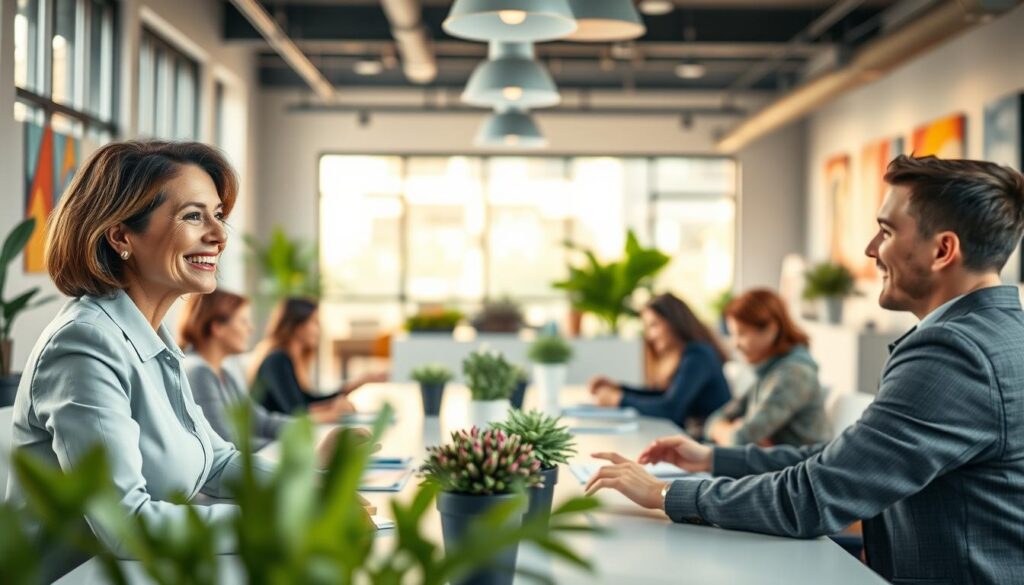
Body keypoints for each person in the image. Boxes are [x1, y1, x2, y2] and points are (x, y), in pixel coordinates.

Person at [585, 155, 1024, 585]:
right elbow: (848, 461)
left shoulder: (953, 353)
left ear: (943, 250)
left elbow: (814, 496)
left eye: (886, 231)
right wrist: (714, 458)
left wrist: (664, 493)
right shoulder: (997, 334)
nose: (871, 249)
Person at [5, 141, 274, 580]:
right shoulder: (84, 344)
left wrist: (311, 488)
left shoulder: (150, 336)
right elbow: (124, 526)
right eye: (193, 216)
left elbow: (215, 462)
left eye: (218, 214)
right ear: (121, 236)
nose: (220, 235)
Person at [703, 288, 829, 447]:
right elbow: (713, 421)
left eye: (741, 333)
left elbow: (740, 439)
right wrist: (729, 430)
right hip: (776, 466)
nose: (735, 345)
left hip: (799, 469)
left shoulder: (794, 374)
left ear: (771, 329)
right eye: (732, 334)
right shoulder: (768, 371)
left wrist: (731, 430)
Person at [587, 293, 731, 430]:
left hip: (708, 444)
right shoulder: (689, 354)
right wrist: (619, 389)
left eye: (654, 325)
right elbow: (663, 396)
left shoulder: (698, 356)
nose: (649, 336)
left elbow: (670, 409)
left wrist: (618, 399)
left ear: (674, 321)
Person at [178, 290, 288, 450]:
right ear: (217, 327)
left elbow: (260, 422)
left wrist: (308, 430)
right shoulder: (198, 372)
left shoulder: (224, 374)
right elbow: (227, 443)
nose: (250, 329)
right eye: (243, 321)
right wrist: (294, 447)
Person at [248, 297, 385, 419]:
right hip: (271, 442)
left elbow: (307, 401)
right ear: (297, 326)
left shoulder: (289, 359)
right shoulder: (277, 359)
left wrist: (358, 383)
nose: (319, 330)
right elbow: (295, 413)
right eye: (314, 322)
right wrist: (333, 412)